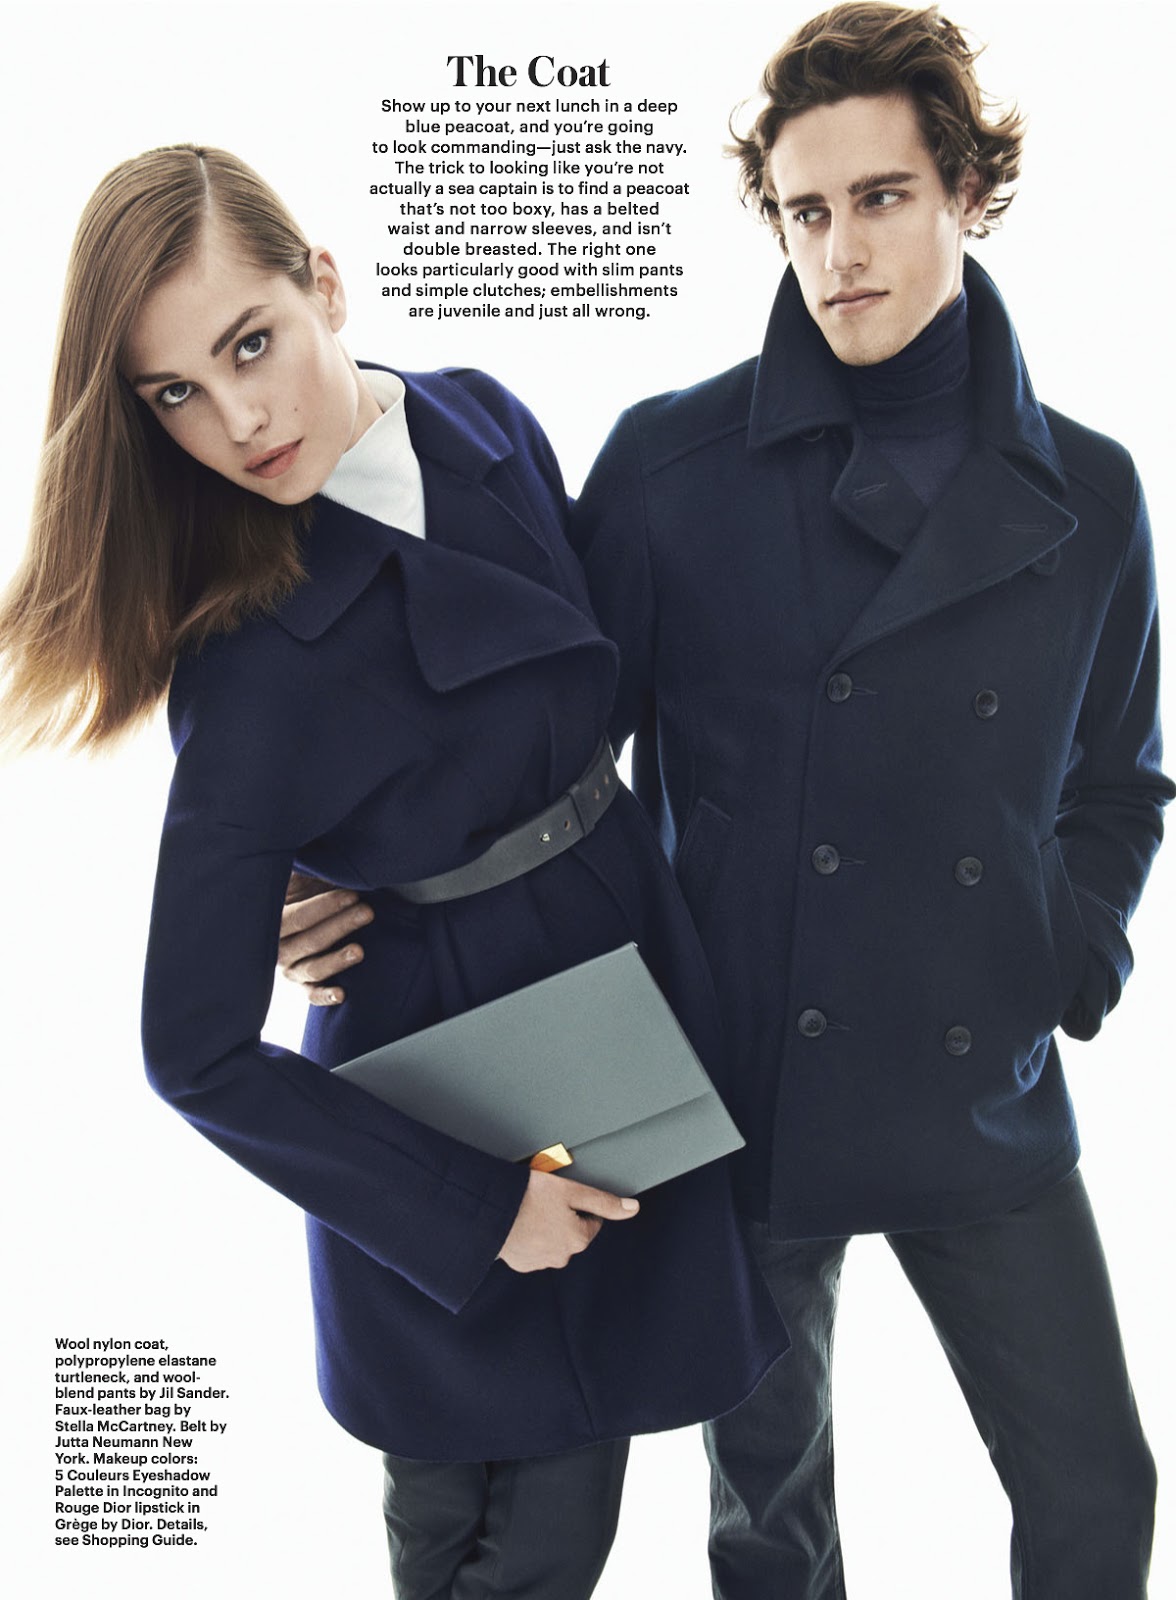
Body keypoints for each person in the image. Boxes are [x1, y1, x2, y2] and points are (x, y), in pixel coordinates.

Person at [281, 7, 1171, 1596]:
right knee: (769, 1520)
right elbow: (535, 752)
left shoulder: (1093, 491)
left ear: (967, 192)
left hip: (984, 1081)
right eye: (805, 211)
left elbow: (1121, 778)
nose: (840, 252)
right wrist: (334, 870)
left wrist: (1068, 955)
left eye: (882, 198)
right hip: (746, 1073)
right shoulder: (672, 468)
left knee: (1099, 1488)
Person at [0, 144, 788, 1598]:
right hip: (436, 1094)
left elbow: (582, 687)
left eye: (250, 344)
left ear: (326, 283)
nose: (237, 419)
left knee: (573, 1501)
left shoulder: (483, 413)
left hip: (612, 1007)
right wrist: (477, 1208)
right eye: (174, 393)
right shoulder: (240, 659)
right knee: (482, 1535)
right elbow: (190, 1052)